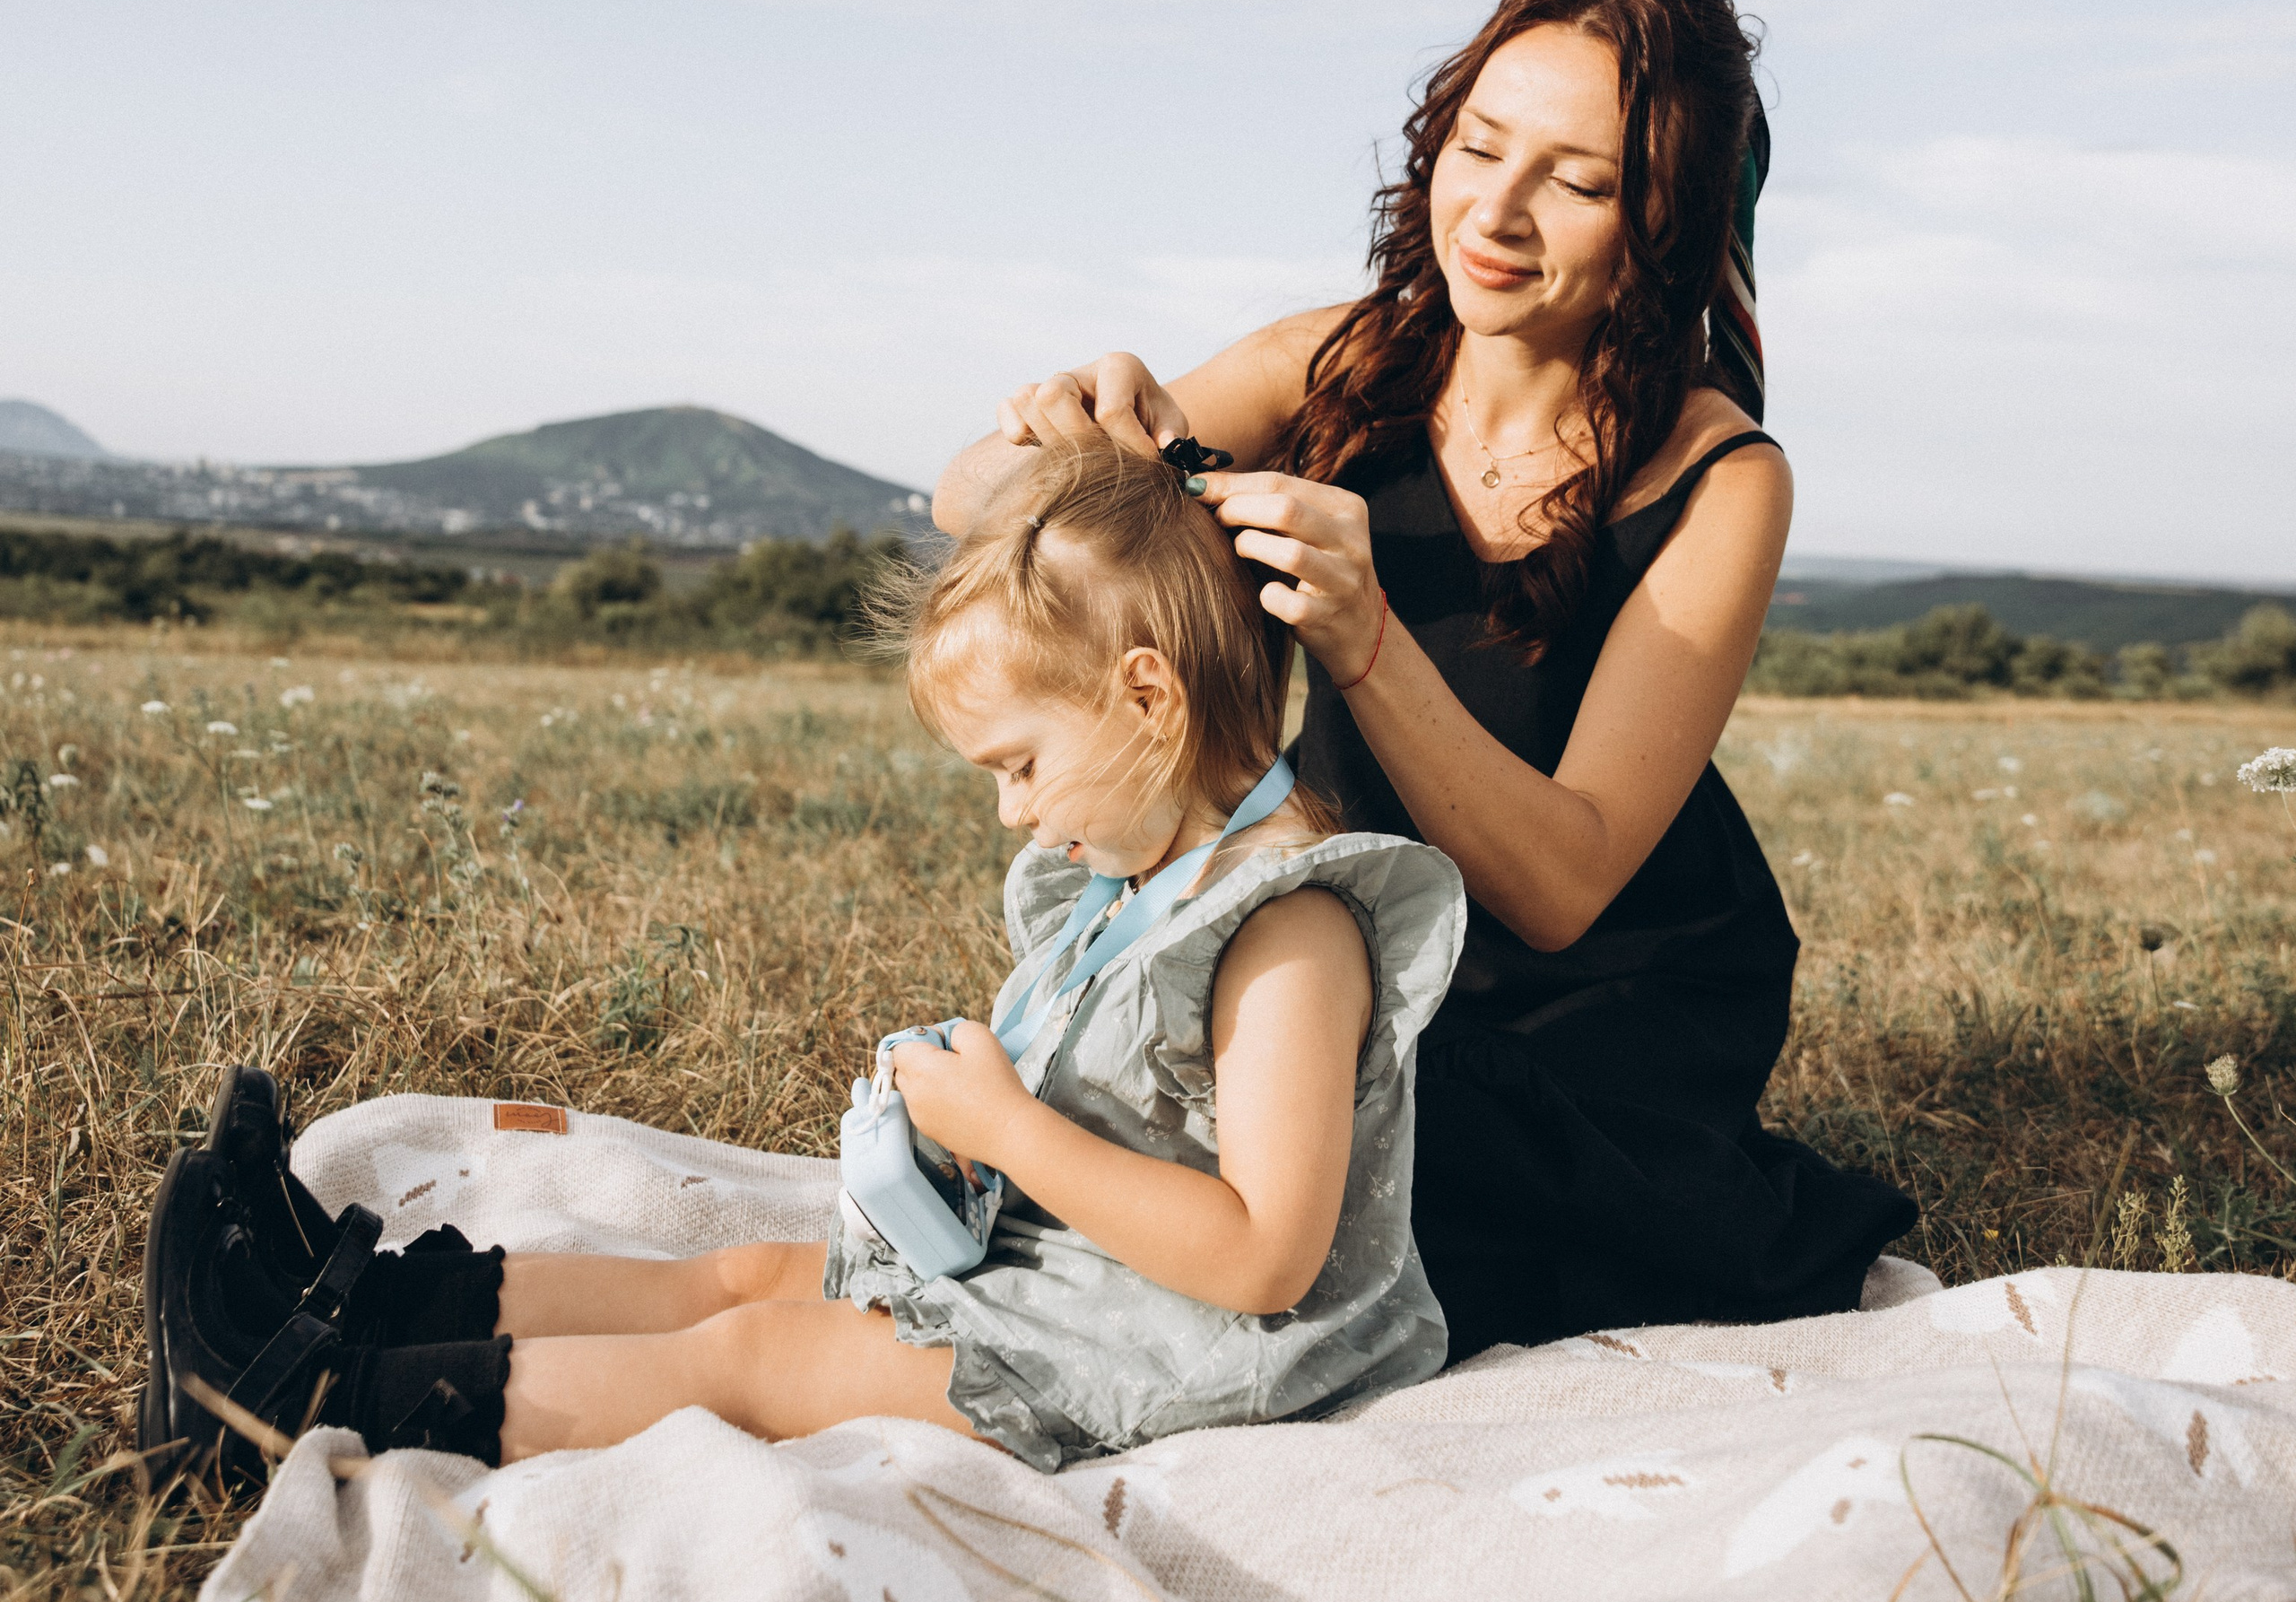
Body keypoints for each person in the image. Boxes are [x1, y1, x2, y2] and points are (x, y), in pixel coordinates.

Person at [935, 0, 1917, 1358]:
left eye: (1576, 181)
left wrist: (1370, 635)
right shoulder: (1337, 361)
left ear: (1668, 219)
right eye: (1478, 145)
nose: (1498, 213)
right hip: (1345, 935)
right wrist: (1071, 425)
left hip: (1590, 1004)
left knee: (1321, 1224)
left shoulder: (1722, 475)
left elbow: (1564, 883)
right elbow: (968, 501)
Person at [139, 445, 1464, 1489]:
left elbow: (1262, 1259)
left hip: (1189, 1346)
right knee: (746, 1275)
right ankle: (340, 1301)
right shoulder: (1145, 872)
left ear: (1147, 695)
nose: (1009, 810)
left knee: (755, 1352)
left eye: (1018, 763)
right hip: (1083, 1277)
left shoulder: (1290, 930)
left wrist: (1007, 1126)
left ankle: (293, 1405)